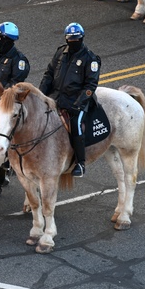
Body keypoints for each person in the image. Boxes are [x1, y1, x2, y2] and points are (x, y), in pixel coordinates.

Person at [38, 22, 99, 177]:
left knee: (76, 125)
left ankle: (80, 163)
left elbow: (90, 85)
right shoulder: (60, 53)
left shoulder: (90, 59)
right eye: (70, 40)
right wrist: (41, 95)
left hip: (76, 102)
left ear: (82, 38)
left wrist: (78, 104)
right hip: (55, 97)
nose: (73, 43)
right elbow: (49, 74)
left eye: (76, 40)